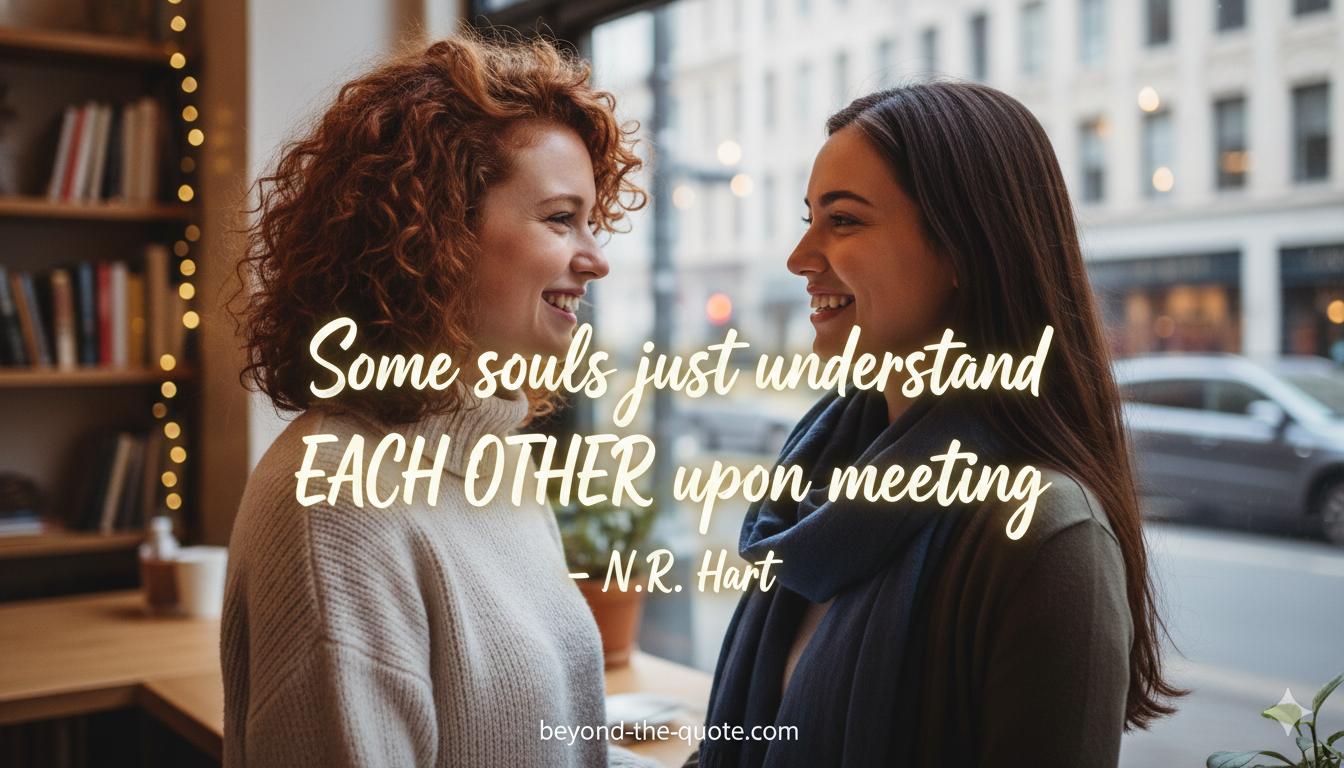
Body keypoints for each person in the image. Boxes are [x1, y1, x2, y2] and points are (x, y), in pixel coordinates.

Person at [691, 82, 1184, 768]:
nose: (800, 256)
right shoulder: (815, 488)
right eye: (810, 218)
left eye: (843, 220)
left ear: (962, 249)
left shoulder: (1045, 535)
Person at [222, 31, 656, 767]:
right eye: (560, 218)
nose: (597, 259)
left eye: (592, 220)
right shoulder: (334, 512)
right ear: (437, 231)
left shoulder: (494, 466)